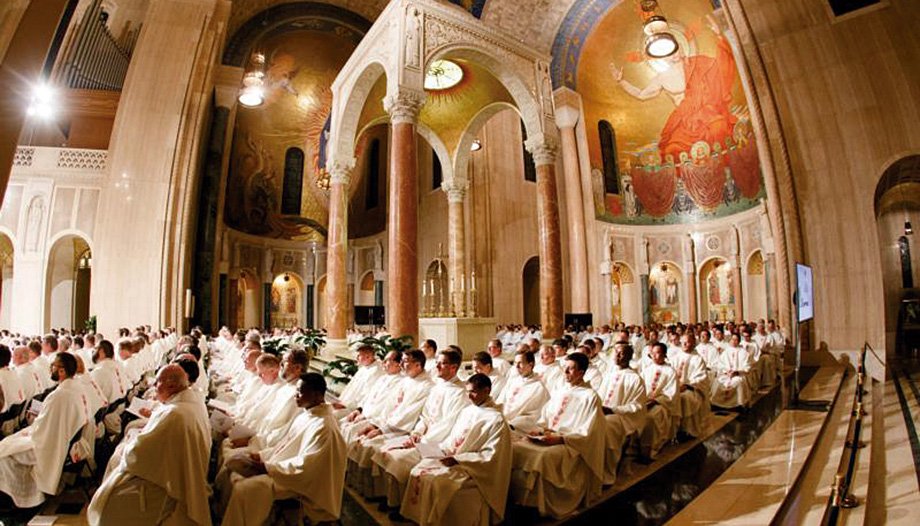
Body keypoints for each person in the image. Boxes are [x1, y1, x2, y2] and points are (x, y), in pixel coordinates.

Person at [88, 364, 211, 526]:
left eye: (158, 382)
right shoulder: (190, 403)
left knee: (109, 506)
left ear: (172, 386)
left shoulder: (174, 414)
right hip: (176, 474)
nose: (154, 386)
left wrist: (129, 446)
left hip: (167, 486)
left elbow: (138, 455)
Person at [218, 372, 346, 526]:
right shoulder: (307, 415)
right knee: (234, 463)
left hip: (302, 483)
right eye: (296, 391)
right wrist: (261, 456)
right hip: (284, 469)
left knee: (245, 489)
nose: (296, 396)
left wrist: (266, 467)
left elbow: (307, 468)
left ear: (317, 395)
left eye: (301, 392)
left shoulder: (325, 427)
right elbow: (284, 446)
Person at [400, 374, 512, 526]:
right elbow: (453, 438)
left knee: (440, 482)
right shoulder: (468, 411)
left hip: (472, 469)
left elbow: (491, 456)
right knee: (417, 471)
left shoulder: (496, 420)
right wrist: (442, 450)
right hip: (452, 458)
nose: (469, 396)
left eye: (473, 392)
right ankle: (421, 519)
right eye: (467, 392)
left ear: (486, 391)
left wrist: (459, 459)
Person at [510, 353, 605, 518]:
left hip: (571, 444)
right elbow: (545, 418)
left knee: (543, 457)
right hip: (548, 437)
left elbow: (588, 433)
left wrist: (561, 438)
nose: (565, 372)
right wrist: (539, 430)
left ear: (582, 372)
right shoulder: (560, 391)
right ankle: (521, 500)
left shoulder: (591, 397)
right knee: (516, 447)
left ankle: (541, 505)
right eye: (565, 368)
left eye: (570, 369)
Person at [372, 349, 469, 509]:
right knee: (387, 451)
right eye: (437, 361)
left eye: (441, 363)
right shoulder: (438, 386)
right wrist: (417, 432)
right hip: (423, 437)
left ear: (453, 368)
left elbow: (448, 425)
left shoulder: (460, 393)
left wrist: (422, 442)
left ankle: (400, 505)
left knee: (399, 458)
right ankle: (393, 498)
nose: (436, 366)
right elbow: (425, 416)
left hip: (438, 443)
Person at [0, 353, 91, 508]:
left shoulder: (59, 395)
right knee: (8, 443)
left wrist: (32, 427)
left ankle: (17, 500)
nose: (51, 369)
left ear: (62, 371)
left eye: (53, 366)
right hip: (64, 439)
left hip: (49, 445)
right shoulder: (78, 387)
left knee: (4, 451)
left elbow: (42, 431)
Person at [597, 343, 647, 485]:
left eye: (621, 353)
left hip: (622, 417)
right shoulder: (610, 374)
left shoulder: (635, 379)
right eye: (616, 352)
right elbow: (600, 396)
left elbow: (636, 405)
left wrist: (613, 410)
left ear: (629, 356)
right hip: (604, 411)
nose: (618, 356)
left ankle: (607, 473)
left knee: (608, 428)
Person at [639, 342, 678, 460]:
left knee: (650, 418)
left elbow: (671, 394)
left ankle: (651, 447)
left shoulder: (670, 371)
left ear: (664, 354)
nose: (654, 356)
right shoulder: (647, 369)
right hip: (644, 401)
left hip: (662, 404)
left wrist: (655, 401)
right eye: (652, 353)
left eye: (658, 353)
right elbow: (640, 386)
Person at [671, 333, 711, 440]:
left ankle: (687, 430)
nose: (684, 344)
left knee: (685, 399)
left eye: (687, 342)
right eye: (682, 342)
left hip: (691, 389)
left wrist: (687, 385)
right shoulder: (675, 357)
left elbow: (701, 378)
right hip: (676, 387)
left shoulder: (698, 359)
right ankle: (672, 430)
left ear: (693, 343)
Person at [497, 350, 549, 431]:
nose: (516, 366)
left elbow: (532, 414)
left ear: (531, 364)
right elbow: (500, 401)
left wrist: (506, 420)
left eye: (520, 363)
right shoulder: (513, 381)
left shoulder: (539, 387)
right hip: (503, 419)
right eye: (515, 363)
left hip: (520, 426)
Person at [331, 345, 382, 417]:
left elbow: (367, 395)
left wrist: (346, 405)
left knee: (331, 416)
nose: (357, 358)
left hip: (355, 408)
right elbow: (351, 387)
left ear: (368, 356)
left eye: (359, 355)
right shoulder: (364, 368)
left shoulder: (376, 371)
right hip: (346, 404)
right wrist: (341, 401)